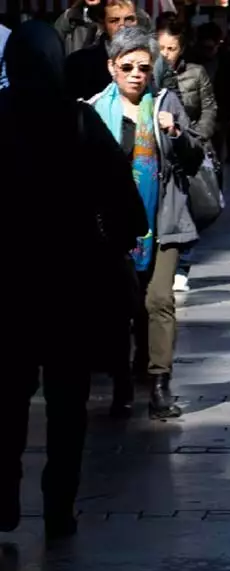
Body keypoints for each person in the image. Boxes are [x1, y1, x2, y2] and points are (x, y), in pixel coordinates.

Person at [1, 20, 147, 538]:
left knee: (8, 399)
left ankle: (5, 496)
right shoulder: (80, 123)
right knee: (67, 406)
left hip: (9, 294)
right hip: (71, 292)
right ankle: (59, 505)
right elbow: (131, 213)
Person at [89, 26, 203, 420]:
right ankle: (123, 383)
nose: (136, 73)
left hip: (164, 219)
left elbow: (194, 158)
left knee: (158, 301)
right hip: (114, 225)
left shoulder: (165, 103)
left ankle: (158, 383)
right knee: (120, 307)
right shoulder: (92, 111)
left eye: (144, 66)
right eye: (127, 66)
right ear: (111, 68)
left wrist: (175, 133)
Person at [157, 15, 219, 293]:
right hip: (162, 148)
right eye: (162, 48)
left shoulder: (196, 73)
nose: (166, 54)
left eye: (172, 48)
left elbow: (208, 108)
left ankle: (184, 264)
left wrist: (198, 136)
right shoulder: (149, 72)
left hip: (190, 147)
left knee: (193, 205)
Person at [65, 0, 140, 100]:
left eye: (129, 19)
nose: (123, 26)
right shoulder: (79, 63)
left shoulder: (151, 59)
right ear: (103, 24)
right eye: (114, 20)